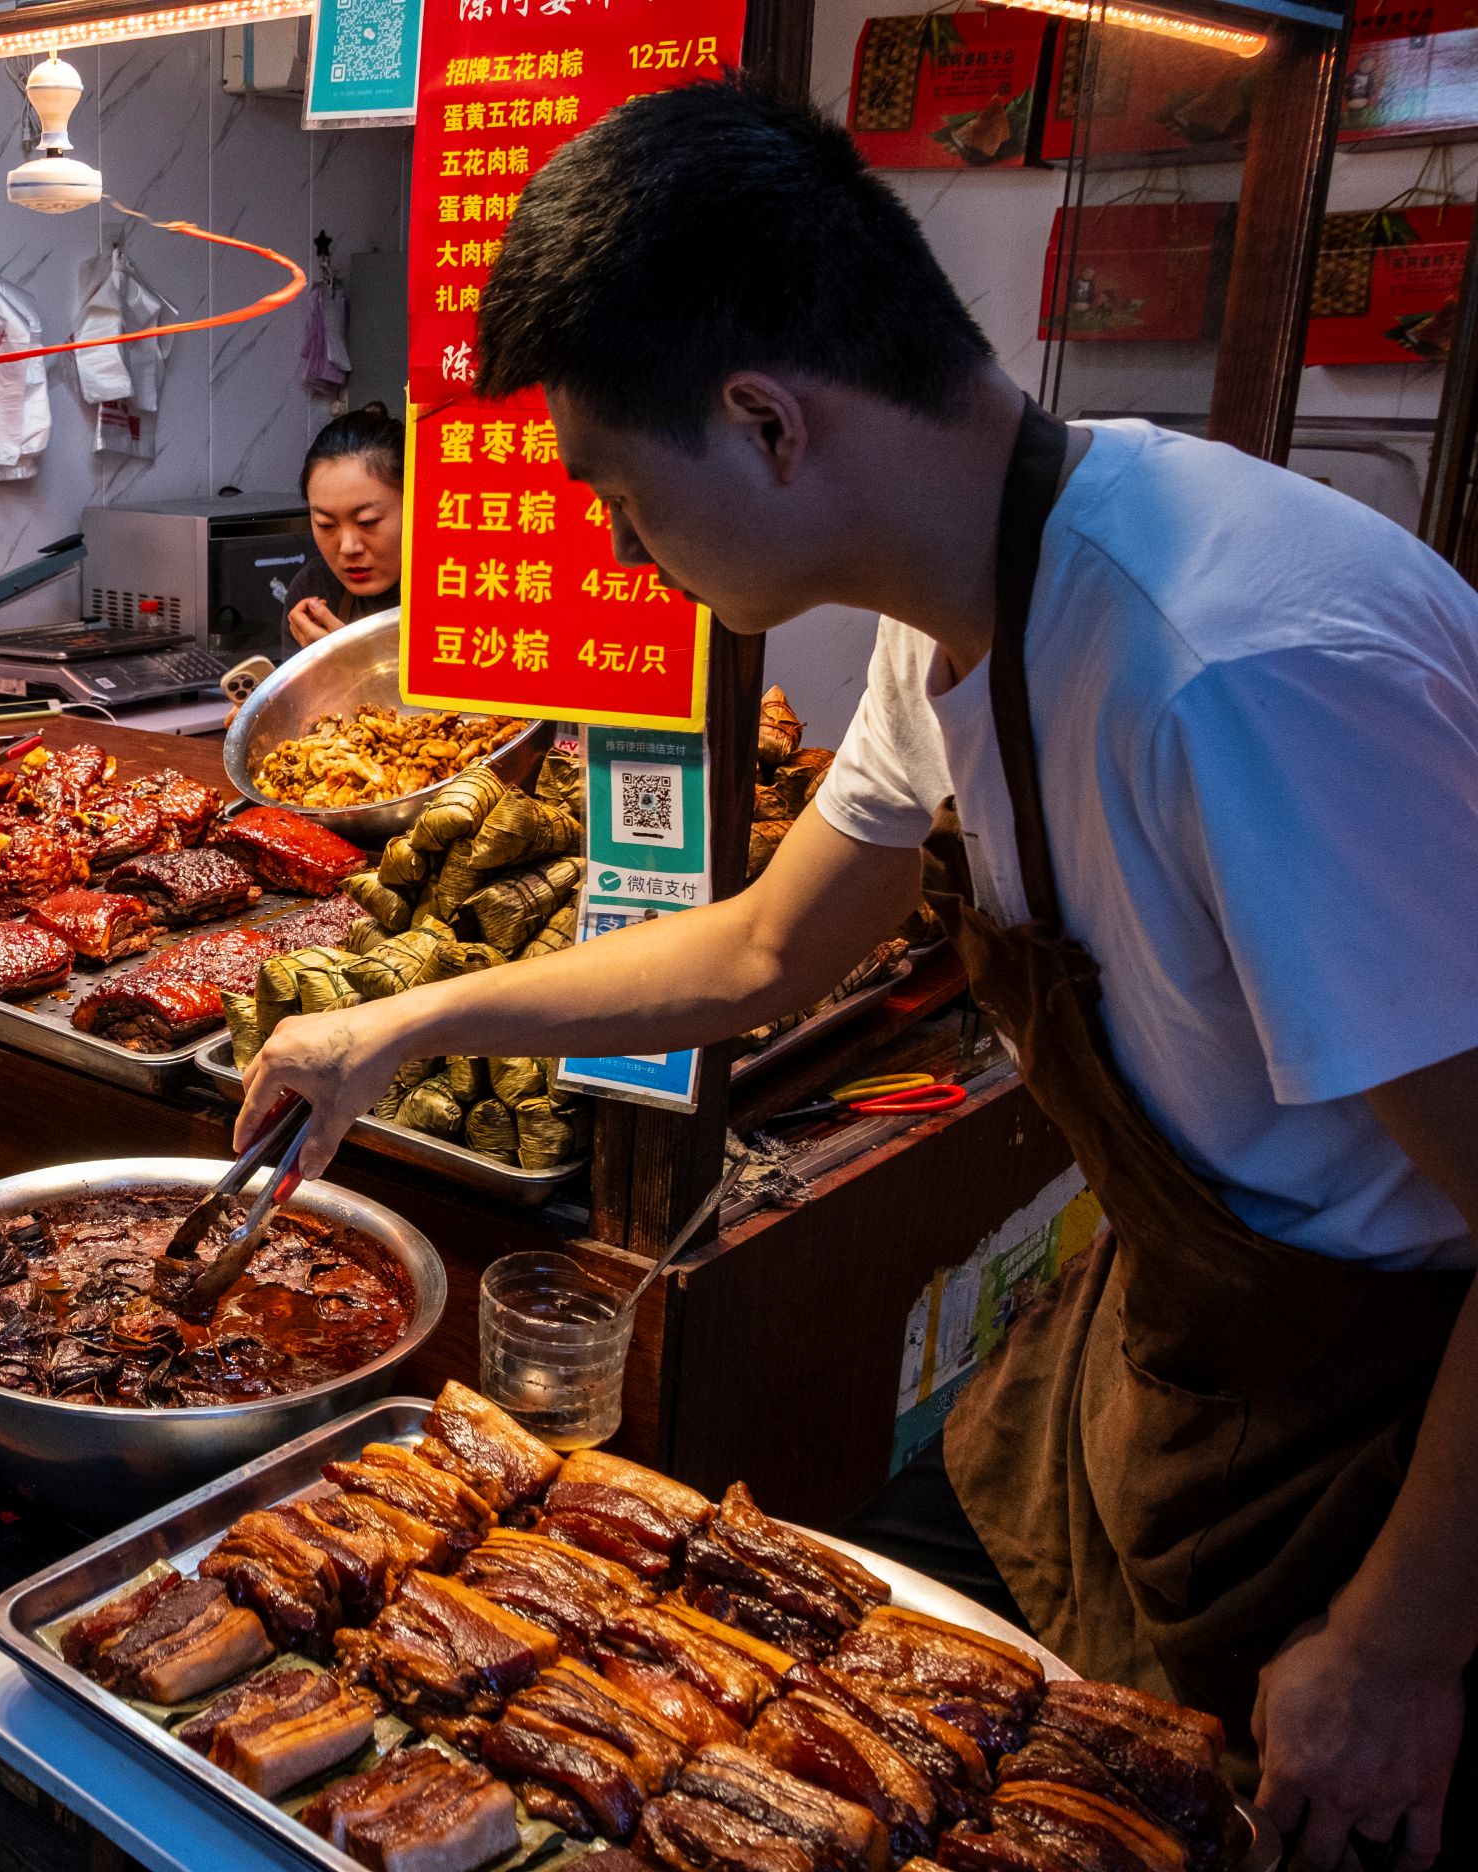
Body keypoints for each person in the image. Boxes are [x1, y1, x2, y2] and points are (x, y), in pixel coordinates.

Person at [237, 81, 1478, 1872]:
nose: (607, 544)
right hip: (1173, 1350)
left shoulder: (1237, 668)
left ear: (762, 422)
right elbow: (761, 949)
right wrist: (401, 1020)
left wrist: (1397, 1642)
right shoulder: (954, 606)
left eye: (613, 488)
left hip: (1384, 1431)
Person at [284, 403, 405, 647]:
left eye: (367, 522)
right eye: (326, 524)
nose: (348, 547)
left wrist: (350, 660)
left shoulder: (460, 590)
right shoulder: (314, 588)